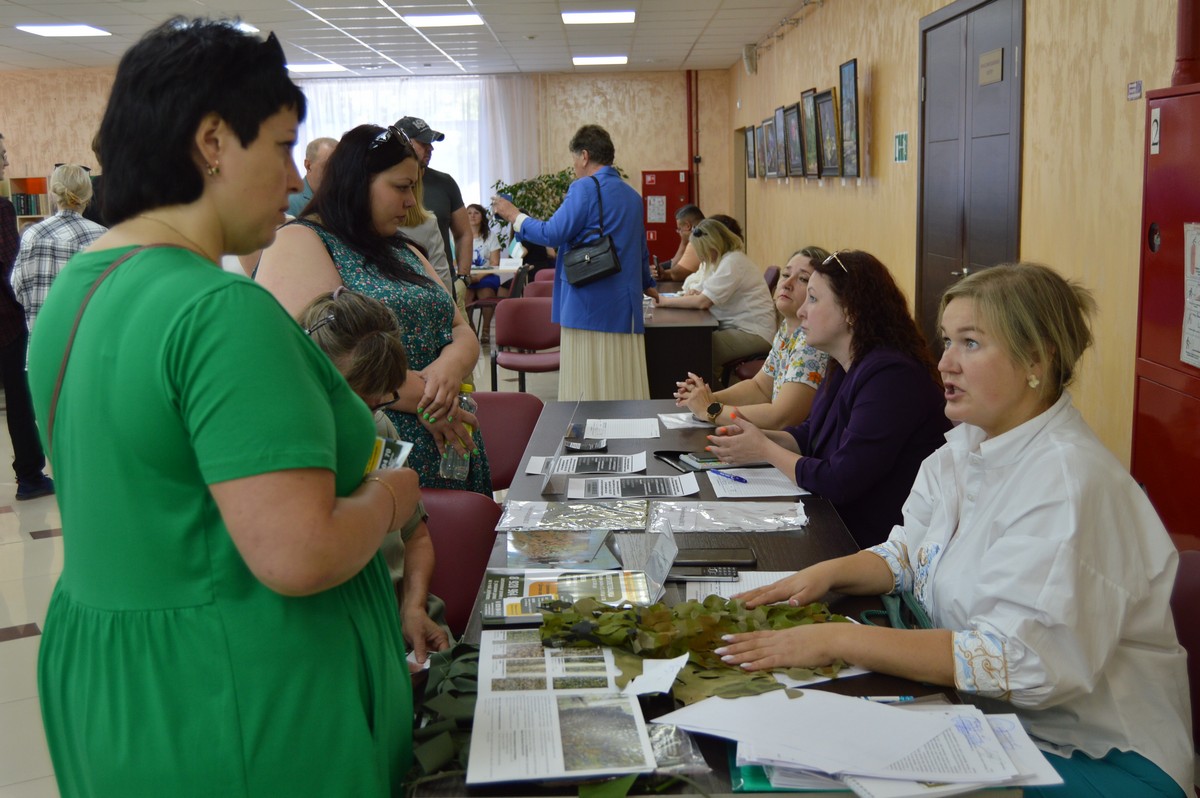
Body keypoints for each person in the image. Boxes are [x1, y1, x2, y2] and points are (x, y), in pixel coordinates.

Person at [26, 19, 417, 796]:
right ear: (212, 141)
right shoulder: (218, 311)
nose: (293, 181)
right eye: (279, 148)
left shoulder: (78, 290)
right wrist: (388, 499)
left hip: (113, 682)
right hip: (238, 693)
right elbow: (298, 552)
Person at [718, 263, 1193, 798]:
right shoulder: (963, 448)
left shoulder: (1068, 483)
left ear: (1036, 359)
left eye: (970, 343)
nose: (945, 363)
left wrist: (841, 638)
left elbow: (1021, 662)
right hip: (984, 722)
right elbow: (908, 553)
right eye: (947, 341)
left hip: (1092, 753)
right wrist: (823, 574)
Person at [255, 123, 492, 495]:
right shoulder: (302, 241)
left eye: (412, 188)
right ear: (355, 182)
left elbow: (461, 328)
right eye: (400, 187)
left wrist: (449, 368)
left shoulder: (404, 249)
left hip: (449, 444)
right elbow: (330, 359)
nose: (412, 201)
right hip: (381, 450)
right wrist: (433, 402)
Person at [707, 250, 949, 547]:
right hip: (835, 522)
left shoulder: (892, 377)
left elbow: (840, 481)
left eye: (813, 298)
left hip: (870, 542)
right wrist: (757, 438)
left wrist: (764, 449)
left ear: (850, 311)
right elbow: (811, 434)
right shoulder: (845, 363)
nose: (802, 311)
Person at [298, 288, 450, 662]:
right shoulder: (291, 454)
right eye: (354, 400)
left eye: (378, 400)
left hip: (394, 616)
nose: (367, 416)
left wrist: (413, 606)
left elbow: (415, 536)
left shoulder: (380, 430)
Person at [492, 124, 656, 401]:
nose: (575, 168)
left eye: (574, 161)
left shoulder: (584, 188)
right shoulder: (632, 197)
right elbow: (640, 248)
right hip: (625, 310)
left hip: (588, 304)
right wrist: (649, 284)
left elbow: (552, 233)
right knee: (623, 385)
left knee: (589, 390)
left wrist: (514, 216)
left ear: (584, 155)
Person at [674, 246, 830, 429]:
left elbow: (781, 417)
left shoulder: (811, 343)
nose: (787, 284)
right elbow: (760, 388)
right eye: (786, 275)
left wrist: (711, 410)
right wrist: (709, 398)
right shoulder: (788, 329)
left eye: (803, 279)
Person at [0, 131, 55, 501]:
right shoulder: (3, 208)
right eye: (2, 154)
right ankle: (31, 476)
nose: (6, 162)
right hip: (6, 323)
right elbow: (9, 266)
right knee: (20, 401)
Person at [655, 218, 776, 388]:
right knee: (693, 346)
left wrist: (663, 301)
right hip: (738, 327)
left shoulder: (733, 262)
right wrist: (698, 294)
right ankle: (709, 395)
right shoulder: (723, 260)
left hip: (753, 333)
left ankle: (713, 401)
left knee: (698, 350)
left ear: (713, 246)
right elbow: (705, 293)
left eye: (703, 252)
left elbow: (703, 302)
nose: (702, 257)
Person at [12, 163, 107, 334]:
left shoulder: (32, 235)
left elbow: (17, 289)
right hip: (85, 341)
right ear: (89, 195)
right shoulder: (103, 237)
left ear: (53, 194)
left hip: (41, 341)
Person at [394, 116, 472, 294]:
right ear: (404, 142)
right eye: (424, 143)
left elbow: (464, 233)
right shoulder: (386, 185)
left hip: (445, 284)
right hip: (403, 289)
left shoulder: (445, 182)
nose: (431, 148)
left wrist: (463, 278)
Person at [464, 203, 502, 342]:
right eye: (469, 213)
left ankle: (485, 331)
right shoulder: (460, 236)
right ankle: (472, 331)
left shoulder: (490, 236)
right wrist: (468, 276)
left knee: (486, 295)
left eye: (476, 213)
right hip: (466, 276)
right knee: (464, 298)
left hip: (487, 275)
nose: (472, 216)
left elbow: (494, 263)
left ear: (482, 217)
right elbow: (455, 261)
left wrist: (479, 276)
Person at [287, 136, 336, 216]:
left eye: (339, 166)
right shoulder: (290, 203)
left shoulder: (342, 198)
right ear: (308, 165)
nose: (335, 172)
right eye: (327, 166)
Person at [655, 203, 704, 281]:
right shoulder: (708, 233)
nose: (679, 232)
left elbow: (676, 273)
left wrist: (684, 243)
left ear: (687, 226)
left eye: (679, 229)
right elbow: (673, 264)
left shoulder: (699, 239)